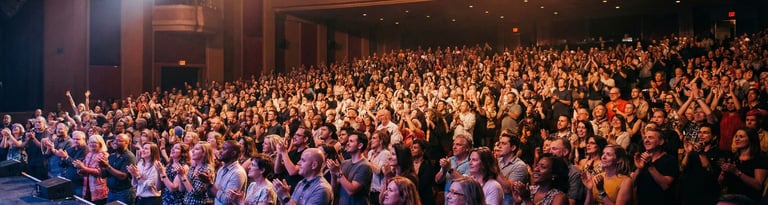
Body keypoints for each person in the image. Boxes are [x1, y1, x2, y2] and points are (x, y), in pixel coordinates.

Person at [631, 127, 678, 205]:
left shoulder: (670, 160)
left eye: (651, 138)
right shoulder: (642, 159)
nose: (646, 140)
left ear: (661, 141)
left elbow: (665, 185)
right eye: (645, 138)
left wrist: (650, 165)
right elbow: (632, 183)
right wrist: (639, 169)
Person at [719, 128, 767, 202]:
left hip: (748, 197)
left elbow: (758, 186)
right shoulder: (733, 157)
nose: (737, 139)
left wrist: (737, 172)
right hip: (730, 195)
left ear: (751, 139)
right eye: (736, 136)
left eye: (741, 137)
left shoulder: (759, 159)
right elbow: (721, 184)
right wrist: (723, 172)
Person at [680, 124, 723, 205]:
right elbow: (682, 169)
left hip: (707, 195)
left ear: (714, 137)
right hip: (689, 195)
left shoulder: (719, 153)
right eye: (700, 132)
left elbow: (711, 173)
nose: (701, 135)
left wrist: (701, 154)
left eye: (705, 132)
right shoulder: (692, 152)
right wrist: (687, 153)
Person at [327, 131, 373, 204]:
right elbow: (334, 188)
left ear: (360, 145)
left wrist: (338, 172)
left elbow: (351, 190)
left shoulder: (364, 166)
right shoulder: (345, 163)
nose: (347, 143)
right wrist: (333, 173)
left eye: (351, 141)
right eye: (348, 141)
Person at [101, 133, 137, 204]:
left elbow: (123, 176)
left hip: (123, 193)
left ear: (126, 143)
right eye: (115, 140)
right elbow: (103, 175)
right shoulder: (112, 156)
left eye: (118, 141)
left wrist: (107, 166)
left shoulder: (129, 157)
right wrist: (101, 166)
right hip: (111, 192)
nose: (115, 142)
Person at [73, 135, 109, 205]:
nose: (92, 144)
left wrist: (83, 168)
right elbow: (84, 169)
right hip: (87, 187)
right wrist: (79, 168)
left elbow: (100, 172)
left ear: (100, 144)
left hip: (98, 189)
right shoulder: (89, 154)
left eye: (95, 142)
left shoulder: (103, 155)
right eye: (91, 142)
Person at [548, 138, 585, 205]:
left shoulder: (574, 173)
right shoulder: (549, 169)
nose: (550, 152)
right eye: (550, 149)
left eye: (554, 149)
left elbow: (571, 202)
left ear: (565, 152)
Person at [210, 140, 248, 205]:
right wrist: (207, 183)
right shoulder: (221, 169)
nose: (220, 151)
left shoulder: (237, 173)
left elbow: (227, 201)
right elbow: (213, 195)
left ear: (233, 153)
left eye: (224, 149)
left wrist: (209, 183)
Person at [368, 130, 393, 204]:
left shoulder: (385, 153)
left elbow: (378, 171)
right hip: (370, 190)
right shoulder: (370, 153)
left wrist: (367, 161)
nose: (371, 140)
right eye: (371, 138)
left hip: (379, 191)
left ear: (381, 141)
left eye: (374, 138)